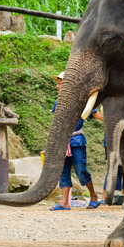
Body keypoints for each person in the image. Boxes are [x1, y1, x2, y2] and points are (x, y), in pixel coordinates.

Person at [51, 71, 103, 211]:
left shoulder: (81, 101)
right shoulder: (57, 103)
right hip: (63, 142)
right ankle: (64, 203)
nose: (58, 87)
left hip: (76, 141)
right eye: (57, 84)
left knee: (81, 170)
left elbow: (95, 114)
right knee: (63, 171)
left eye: (61, 84)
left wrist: (113, 122)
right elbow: (56, 124)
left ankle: (93, 197)